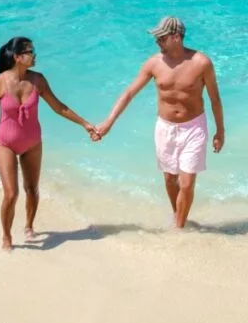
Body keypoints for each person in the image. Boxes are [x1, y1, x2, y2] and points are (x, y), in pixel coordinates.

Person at [95, 17, 224, 229]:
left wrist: (220, 131)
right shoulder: (154, 63)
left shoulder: (201, 63)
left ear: (176, 37)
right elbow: (129, 93)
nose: (157, 41)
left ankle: (179, 230)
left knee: (187, 183)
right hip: (165, 127)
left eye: (162, 38)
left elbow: (215, 99)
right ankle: (177, 215)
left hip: (193, 127)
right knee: (169, 179)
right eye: (157, 37)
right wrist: (109, 122)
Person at [0, 36, 98, 250]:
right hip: (5, 142)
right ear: (17, 57)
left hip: (32, 141)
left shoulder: (38, 80)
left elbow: (58, 107)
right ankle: (6, 236)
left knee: (32, 189)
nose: (34, 55)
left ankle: (29, 226)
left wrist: (85, 124)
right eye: (30, 52)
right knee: (11, 194)